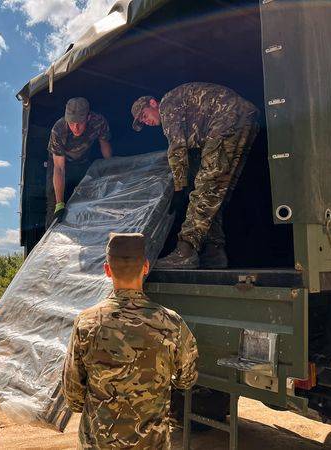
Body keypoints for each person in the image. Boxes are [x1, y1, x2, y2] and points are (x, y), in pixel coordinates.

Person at [62, 233, 198, 449]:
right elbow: (186, 379)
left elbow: (73, 394)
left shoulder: (86, 322)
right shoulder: (171, 322)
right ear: (145, 267)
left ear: (107, 270)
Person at [131, 82, 260, 269]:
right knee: (216, 193)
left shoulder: (167, 104)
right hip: (244, 118)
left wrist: (178, 186)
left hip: (225, 119)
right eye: (142, 122)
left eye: (144, 115)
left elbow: (177, 148)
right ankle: (214, 253)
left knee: (205, 188)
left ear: (153, 103)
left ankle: (186, 251)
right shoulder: (182, 106)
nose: (146, 121)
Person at [46, 97, 113, 227]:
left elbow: (104, 145)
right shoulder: (58, 129)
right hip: (60, 162)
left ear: (88, 118)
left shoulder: (98, 121)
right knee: (54, 205)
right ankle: (52, 232)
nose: (75, 128)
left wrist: (110, 171)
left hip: (83, 161)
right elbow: (59, 168)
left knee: (87, 195)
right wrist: (60, 204)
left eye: (79, 123)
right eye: (71, 123)